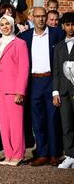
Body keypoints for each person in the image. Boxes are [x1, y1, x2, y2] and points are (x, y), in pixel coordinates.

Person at [19, 6, 65, 166]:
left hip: (51, 80)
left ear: (46, 17)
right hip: (33, 82)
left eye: (43, 16)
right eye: (37, 16)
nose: (40, 19)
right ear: (31, 17)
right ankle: (43, 153)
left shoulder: (57, 34)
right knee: (37, 120)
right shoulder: (24, 37)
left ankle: (54, 154)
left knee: (53, 118)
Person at [0, 15, 30, 166]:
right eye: (2, 24)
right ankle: (9, 154)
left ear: (12, 25)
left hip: (13, 90)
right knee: (3, 124)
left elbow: (24, 69)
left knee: (16, 123)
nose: (5, 26)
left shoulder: (20, 43)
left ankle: (18, 154)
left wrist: (20, 91)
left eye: (8, 24)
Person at [52, 12, 74, 169]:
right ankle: (70, 155)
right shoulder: (59, 47)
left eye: (73, 24)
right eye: (67, 25)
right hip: (64, 92)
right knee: (66, 125)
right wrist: (55, 92)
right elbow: (56, 71)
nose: (71, 28)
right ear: (63, 26)